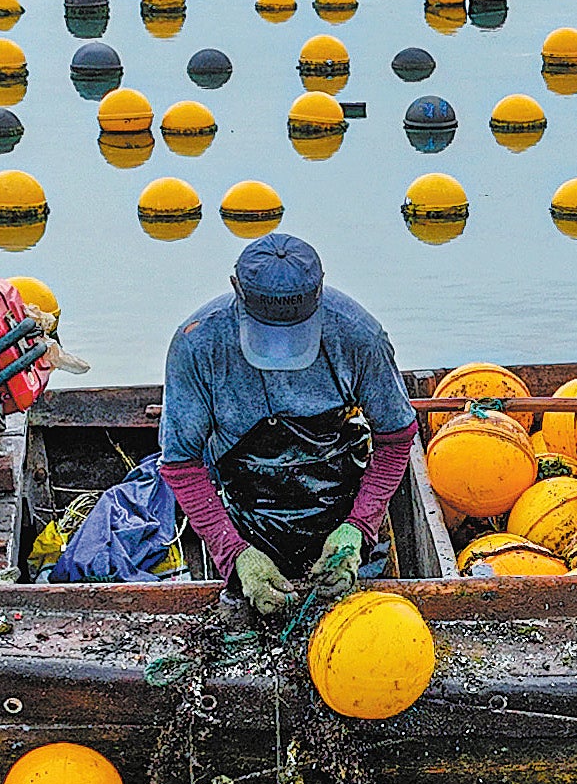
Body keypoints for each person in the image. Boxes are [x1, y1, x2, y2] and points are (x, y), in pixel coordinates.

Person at [157, 234, 418, 619]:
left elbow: (396, 438)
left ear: (320, 291)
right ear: (236, 289)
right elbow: (181, 464)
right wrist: (233, 552)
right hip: (247, 516)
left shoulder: (360, 337)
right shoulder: (198, 346)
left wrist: (359, 527)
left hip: (341, 505)